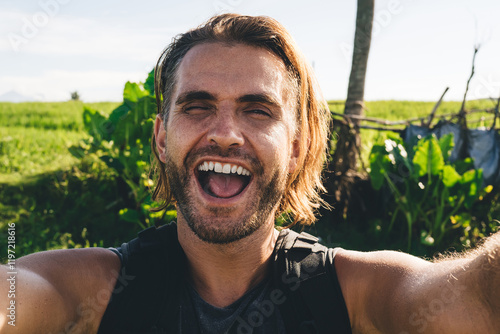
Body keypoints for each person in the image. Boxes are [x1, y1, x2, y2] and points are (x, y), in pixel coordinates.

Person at [1, 13, 499, 334]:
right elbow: (16, 294)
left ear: (298, 148)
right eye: (197, 106)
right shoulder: (93, 291)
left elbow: (474, 300)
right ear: (160, 138)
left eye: (257, 111)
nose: (225, 133)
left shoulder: (355, 296)